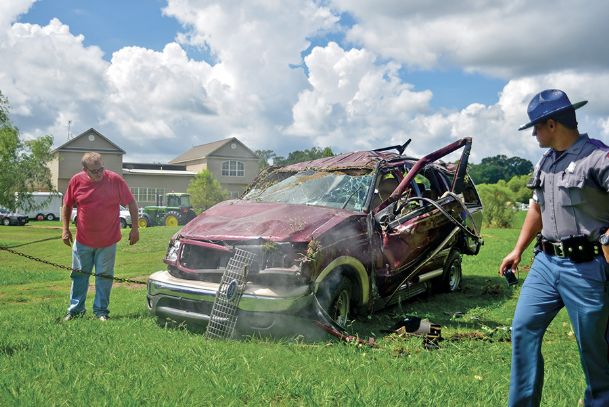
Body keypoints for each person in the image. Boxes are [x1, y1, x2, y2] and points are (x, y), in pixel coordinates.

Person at [499, 89, 609, 406]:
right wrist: (518, 249)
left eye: (535, 127)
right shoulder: (546, 162)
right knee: (523, 329)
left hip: (587, 268)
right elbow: (537, 207)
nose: (533, 133)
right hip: (546, 264)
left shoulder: (597, 158)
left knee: (594, 350)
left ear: (551, 124)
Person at [61, 152, 140, 321]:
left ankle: (101, 312)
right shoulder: (76, 181)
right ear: (85, 170)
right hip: (83, 241)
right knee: (79, 275)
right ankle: (75, 311)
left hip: (108, 241)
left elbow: (131, 203)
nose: (99, 174)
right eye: (94, 171)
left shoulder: (115, 180)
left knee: (104, 276)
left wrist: (135, 228)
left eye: (101, 169)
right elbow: (67, 205)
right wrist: (65, 229)